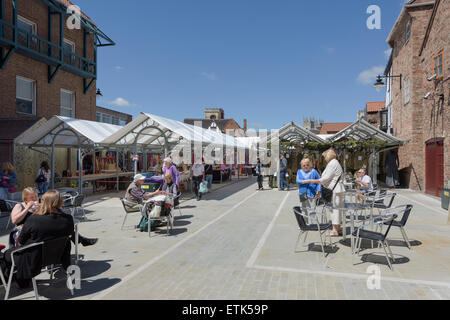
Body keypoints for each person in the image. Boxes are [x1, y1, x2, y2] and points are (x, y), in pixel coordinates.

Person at [302, 149, 345, 236]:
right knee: (338, 209)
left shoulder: (332, 163)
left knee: (335, 210)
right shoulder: (335, 162)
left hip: (335, 190)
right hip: (337, 189)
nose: (324, 158)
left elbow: (326, 178)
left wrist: (313, 180)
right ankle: (338, 228)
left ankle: (335, 230)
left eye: (325, 156)